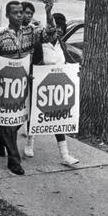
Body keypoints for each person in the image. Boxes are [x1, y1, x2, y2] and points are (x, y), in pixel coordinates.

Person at [0, 0, 56, 175]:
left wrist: (48, 13)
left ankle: (0, 137)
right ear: (7, 15)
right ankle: (14, 160)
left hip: (26, 83)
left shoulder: (31, 32)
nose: (19, 15)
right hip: (7, 86)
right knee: (9, 121)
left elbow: (51, 35)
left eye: (21, 12)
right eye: (15, 13)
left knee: (23, 117)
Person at [24, 12, 79, 166]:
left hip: (57, 87)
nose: (59, 31)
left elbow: (67, 62)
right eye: (56, 28)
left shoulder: (61, 45)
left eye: (61, 28)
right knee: (35, 115)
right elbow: (33, 65)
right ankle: (29, 142)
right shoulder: (40, 44)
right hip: (41, 86)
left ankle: (65, 154)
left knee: (58, 119)